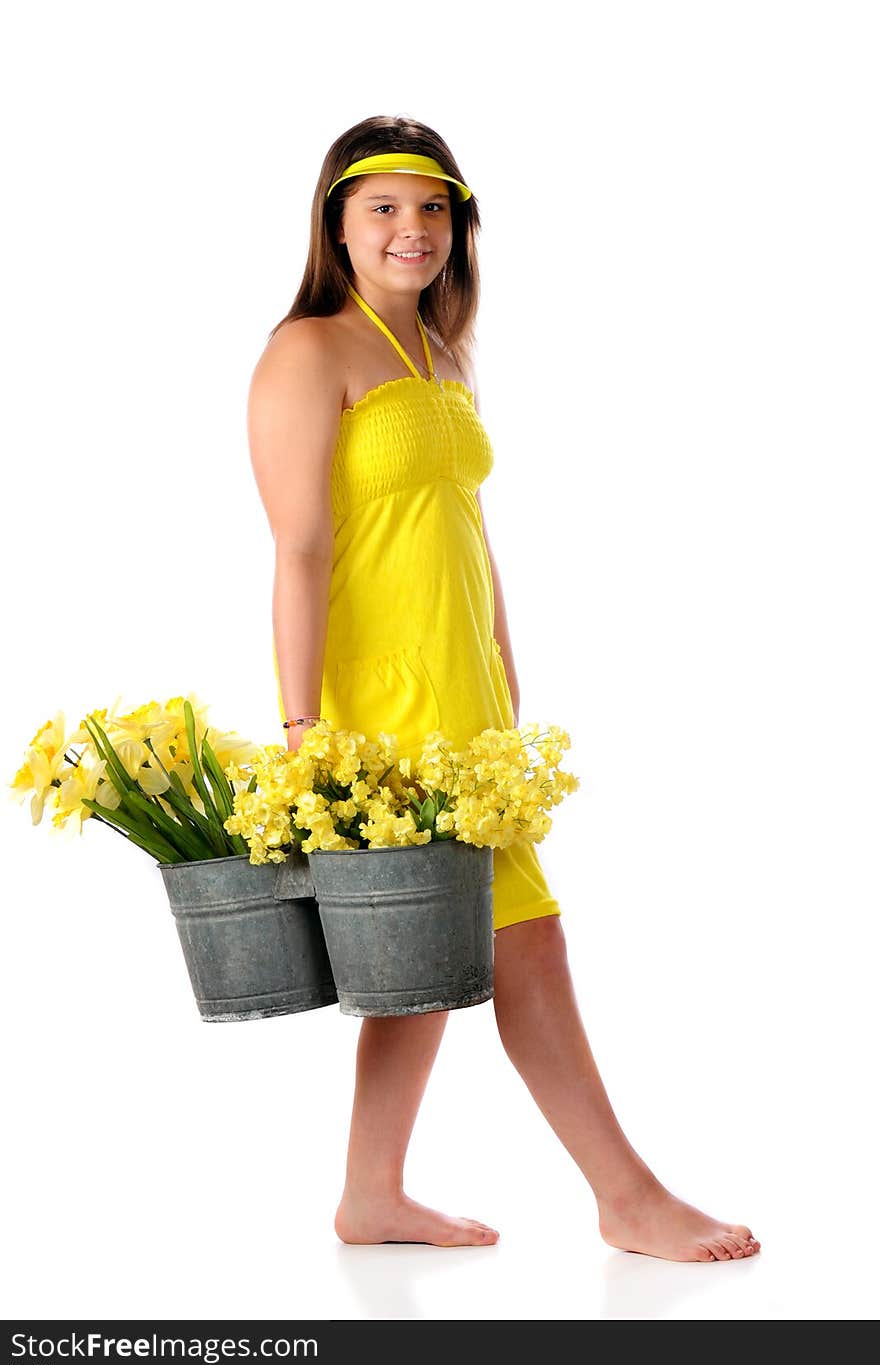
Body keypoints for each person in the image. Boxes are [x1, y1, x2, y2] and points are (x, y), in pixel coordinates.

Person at [246, 115, 760, 1263]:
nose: (410, 229)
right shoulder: (308, 352)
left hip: (467, 706)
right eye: (382, 207)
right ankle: (626, 1194)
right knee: (521, 942)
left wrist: (506, 680)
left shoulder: (440, 355)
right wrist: (300, 728)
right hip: (384, 714)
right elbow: (299, 550)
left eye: (431, 208)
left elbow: (462, 535)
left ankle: (370, 1196)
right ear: (335, 221)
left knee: (424, 961)